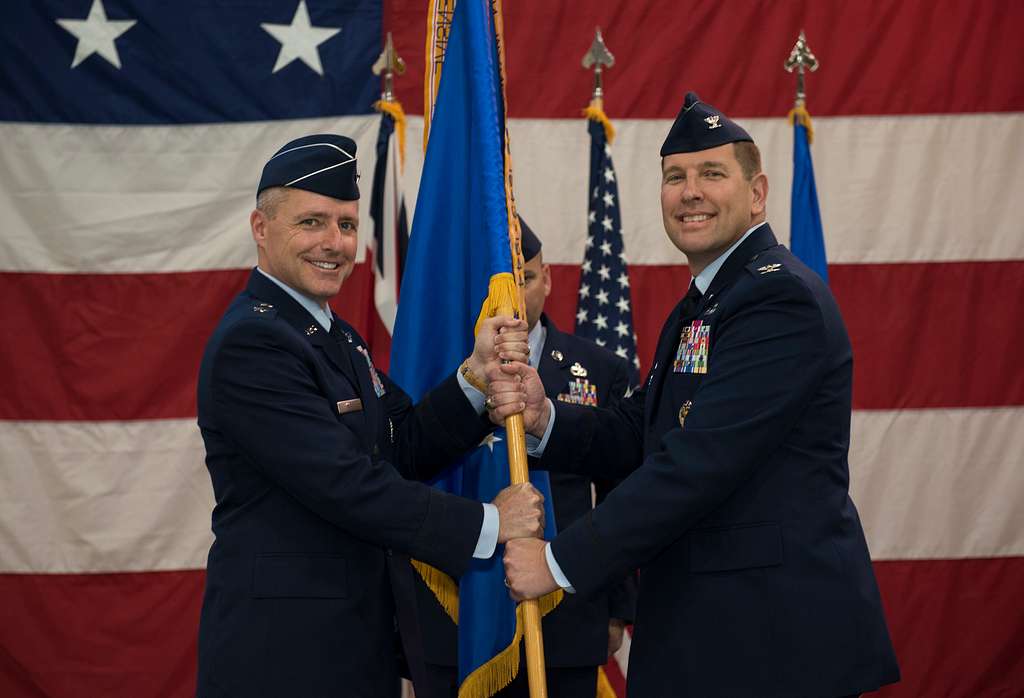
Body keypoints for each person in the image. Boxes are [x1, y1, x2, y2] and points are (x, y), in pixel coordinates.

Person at [493, 93, 901, 697]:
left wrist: (558, 564)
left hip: (771, 645)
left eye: (712, 174)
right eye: (675, 176)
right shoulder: (707, 302)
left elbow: (696, 464)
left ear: (757, 193)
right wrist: (545, 416)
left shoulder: (776, 300)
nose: (690, 192)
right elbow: (642, 431)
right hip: (714, 633)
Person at [194, 134, 545, 698]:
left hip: (355, 645)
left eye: (348, 225)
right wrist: (487, 524)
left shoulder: (332, 335)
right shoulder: (254, 343)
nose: (335, 243)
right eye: (312, 222)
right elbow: (346, 484)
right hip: (282, 658)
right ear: (261, 228)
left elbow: (400, 445)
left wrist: (476, 376)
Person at [411, 218, 637, 698]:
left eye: (527, 279)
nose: (513, 300)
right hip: (462, 604)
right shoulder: (452, 371)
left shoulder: (600, 369)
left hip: (569, 607)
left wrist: (619, 605)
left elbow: (622, 492)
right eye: (502, 288)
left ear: (549, 278)